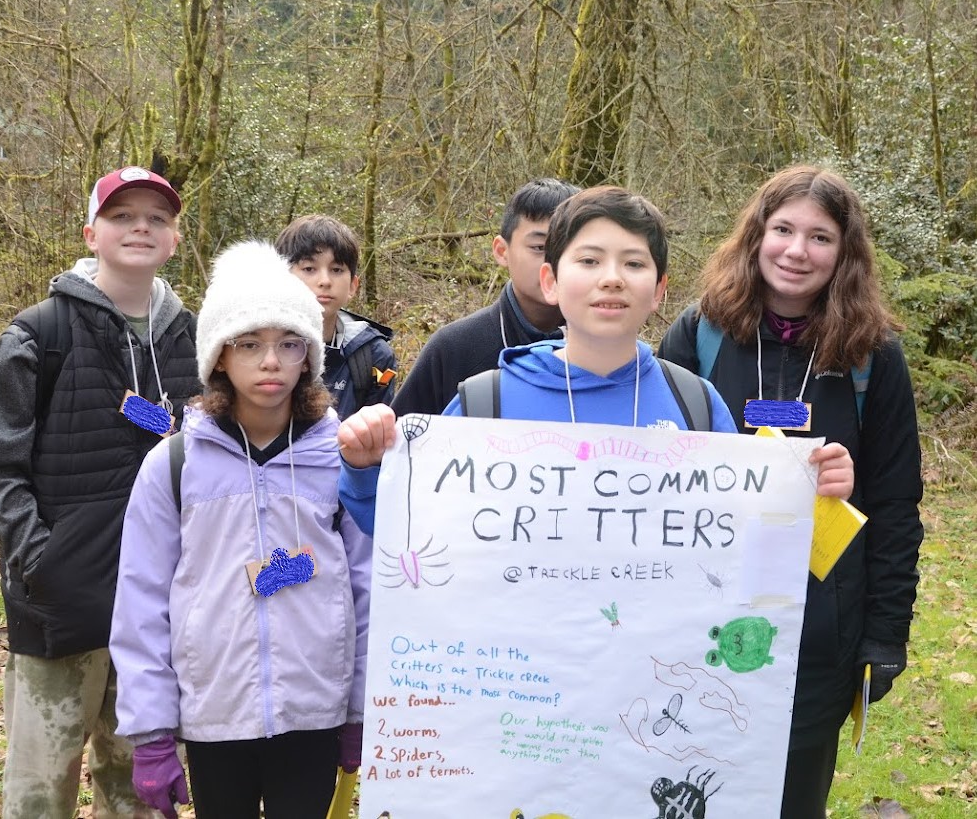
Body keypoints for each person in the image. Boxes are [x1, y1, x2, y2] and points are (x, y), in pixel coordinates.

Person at [337, 185, 855, 538]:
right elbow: (406, 528)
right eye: (588, 261)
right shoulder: (483, 402)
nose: (612, 278)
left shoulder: (696, 405)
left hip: (653, 691)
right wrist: (363, 468)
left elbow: (743, 537)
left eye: (634, 263)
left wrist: (807, 496)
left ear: (659, 291)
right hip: (515, 687)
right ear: (551, 282)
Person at [657, 165, 923, 819]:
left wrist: (883, 639)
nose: (796, 251)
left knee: (791, 800)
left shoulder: (872, 355)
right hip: (697, 624)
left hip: (816, 636)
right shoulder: (697, 335)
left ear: (845, 252)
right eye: (781, 229)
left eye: (819, 237)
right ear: (755, 235)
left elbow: (895, 505)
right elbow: (652, 475)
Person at [0, 166, 200, 818]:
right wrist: (47, 562)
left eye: (157, 217)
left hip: (157, 612)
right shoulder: (38, 333)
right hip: (59, 614)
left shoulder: (197, 340)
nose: (141, 227)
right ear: (91, 232)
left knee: (139, 792)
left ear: (175, 239)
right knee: (41, 793)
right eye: (123, 215)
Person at [109, 240, 371, 819]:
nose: (270, 361)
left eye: (288, 343)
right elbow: (141, 601)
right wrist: (151, 731)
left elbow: (365, 586)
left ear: (310, 356)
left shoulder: (342, 459)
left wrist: (361, 709)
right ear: (219, 357)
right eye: (249, 344)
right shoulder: (174, 466)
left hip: (315, 710)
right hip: (215, 711)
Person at [390, 177, 581, 416]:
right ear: (502, 251)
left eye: (570, 250)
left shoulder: (603, 350)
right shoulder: (453, 349)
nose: (554, 263)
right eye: (540, 248)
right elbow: (402, 441)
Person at [274, 213, 396, 418]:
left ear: (353, 286)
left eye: (337, 269)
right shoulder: (255, 348)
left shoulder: (375, 356)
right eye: (309, 268)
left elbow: (381, 441)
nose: (324, 281)